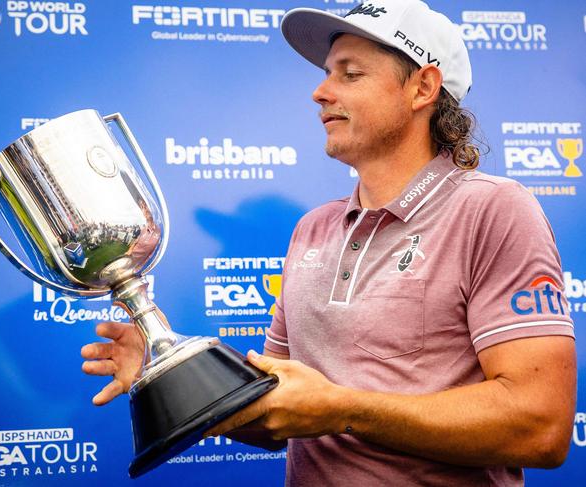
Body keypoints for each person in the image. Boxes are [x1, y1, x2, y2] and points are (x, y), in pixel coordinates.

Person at [81, 1, 576, 485]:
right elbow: (274, 413)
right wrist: (168, 372)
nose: (319, 92)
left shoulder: (494, 210)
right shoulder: (313, 228)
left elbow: (540, 427)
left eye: (350, 74)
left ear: (423, 87)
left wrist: (344, 410)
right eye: (326, 73)